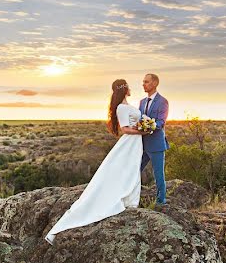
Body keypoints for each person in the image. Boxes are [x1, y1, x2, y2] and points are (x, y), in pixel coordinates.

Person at [44, 79, 143, 244]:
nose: (130, 88)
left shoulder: (127, 105)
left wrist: (145, 128)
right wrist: (143, 131)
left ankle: (131, 199)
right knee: (128, 168)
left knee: (131, 168)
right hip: (130, 141)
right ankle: (127, 199)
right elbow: (124, 129)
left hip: (135, 142)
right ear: (125, 89)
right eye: (128, 86)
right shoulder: (121, 107)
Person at [139, 73, 169, 206]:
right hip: (141, 144)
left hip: (156, 144)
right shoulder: (142, 102)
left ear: (155, 83)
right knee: (134, 170)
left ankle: (161, 202)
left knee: (158, 175)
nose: (143, 84)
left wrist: (149, 126)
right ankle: (131, 197)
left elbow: (161, 122)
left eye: (146, 82)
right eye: (143, 82)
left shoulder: (163, 101)